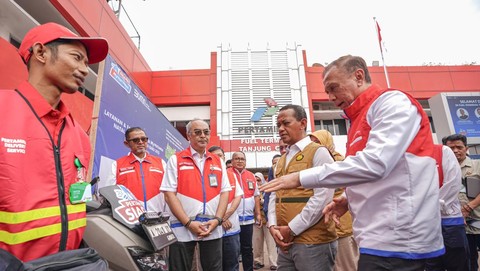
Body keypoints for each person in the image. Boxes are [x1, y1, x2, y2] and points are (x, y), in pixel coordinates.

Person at [261, 55, 443, 271]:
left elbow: (376, 163)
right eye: (327, 91)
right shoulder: (357, 120)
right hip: (375, 240)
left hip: (403, 243)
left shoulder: (392, 103)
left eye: (333, 88)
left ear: (358, 76)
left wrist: (299, 178)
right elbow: (378, 172)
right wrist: (347, 198)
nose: (330, 96)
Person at [0, 22, 108, 262]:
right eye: (77, 57)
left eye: (86, 64)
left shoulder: (79, 135)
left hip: (69, 264)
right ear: (41, 53)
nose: (84, 69)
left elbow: (76, 198)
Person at [267, 105, 337, 270]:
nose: (281, 129)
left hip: (313, 242)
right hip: (285, 241)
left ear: (303, 123)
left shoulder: (319, 153)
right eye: (278, 125)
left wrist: (291, 229)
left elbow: (322, 198)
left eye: (286, 123)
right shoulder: (282, 160)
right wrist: (272, 226)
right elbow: (274, 195)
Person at [161, 119, 231, 271]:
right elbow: (169, 194)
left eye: (206, 132)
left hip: (211, 227)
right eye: (197, 132)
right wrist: (188, 223)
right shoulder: (176, 159)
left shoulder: (218, 161)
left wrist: (217, 220)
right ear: (188, 136)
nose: (202, 136)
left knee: (214, 268)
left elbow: (225, 192)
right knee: (179, 268)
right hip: (183, 227)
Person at [309, 129, 359, 271]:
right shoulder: (314, 163)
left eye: (317, 141)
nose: (313, 145)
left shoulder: (340, 163)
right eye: (311, 142)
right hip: (324, 226)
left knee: (346, 264)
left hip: (341, 223)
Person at [425, 144, 470, 271]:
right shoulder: (404, 154)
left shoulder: (442, 151)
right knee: (431, 266)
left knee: (457, 265)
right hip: (424, 226)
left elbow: (453, 184)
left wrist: (430, 209)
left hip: (449, 222)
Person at [104, 127, 166, 212]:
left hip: (158, 217)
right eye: (136, 140)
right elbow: (110, 193)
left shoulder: (161, 163)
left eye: (144, 139)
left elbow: (170, 192)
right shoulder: (117, 164)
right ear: (127, 143)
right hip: (130, 219)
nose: (141, 142)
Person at [444, 133, 480, 271]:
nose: (455, 151)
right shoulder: (442, 168)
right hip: (458, 224)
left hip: (477, 218)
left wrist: (467, 208)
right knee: (467, 258)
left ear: (467, 148)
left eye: (459, 147)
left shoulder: (477, 165)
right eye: (451, 148)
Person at [208, 145, 244, 271]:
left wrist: (225, 216)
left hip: (232, 229)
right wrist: (221, 219)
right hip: (213, 231)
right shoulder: (205, 176)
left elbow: (238, 196)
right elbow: (204, 203)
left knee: (232, 264)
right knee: (215, 266)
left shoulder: (231, 175)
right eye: (215, 156)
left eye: (221, 156)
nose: (219, 158)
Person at [229, 151, 262, 271]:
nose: (239, 161)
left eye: (242, 159)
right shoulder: (227, 174)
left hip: (247, 221)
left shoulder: (251, 176)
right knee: (233, 251)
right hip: (232, 220)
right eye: (236, 158)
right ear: (232, 161)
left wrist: (258, 214)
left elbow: (256, 196)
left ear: (245, 161)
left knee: (248, 248)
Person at [252, 172, 277, 270]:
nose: (257, 182)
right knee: (256, 242)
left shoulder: (268, 189)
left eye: (258, 180)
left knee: (271, 242)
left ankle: (273, 262)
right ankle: (258, 261)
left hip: (268, 220)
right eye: (255, 180)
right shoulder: (251, 190)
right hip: (256, 220)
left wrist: (261, 201)